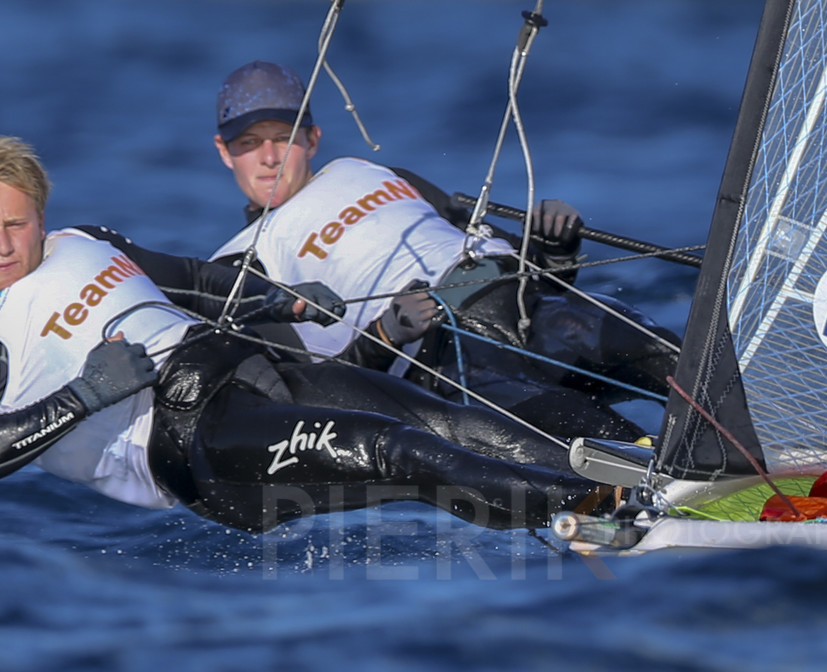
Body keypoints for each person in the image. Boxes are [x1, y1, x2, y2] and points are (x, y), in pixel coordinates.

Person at [0, 136, 604, 533]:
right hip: (195, 445)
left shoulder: (81, 241)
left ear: (41, 217)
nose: (5, 245)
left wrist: (282, 301)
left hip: (252, 370)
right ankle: (597, 513)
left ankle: (637, 477)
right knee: (398, 449)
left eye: (18, 223)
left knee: (452, 422)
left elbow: (191, 278)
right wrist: (87, 395)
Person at [207, 60, 679, 441]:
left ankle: (748, 455)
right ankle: (688, 501)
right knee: (609, 442)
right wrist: (386, 336)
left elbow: (527, 266)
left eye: (284, 137)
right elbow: (307, 396)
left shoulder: (377, 172)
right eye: (249, 143)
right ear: (225, 151)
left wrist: (554, 252)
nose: (269, 157)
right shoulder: (238, 265)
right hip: (450, 363)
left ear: (312, 139)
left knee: (682, 362)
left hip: (530, 308)